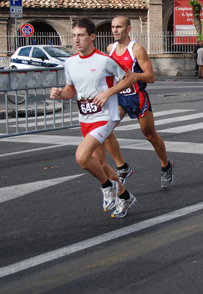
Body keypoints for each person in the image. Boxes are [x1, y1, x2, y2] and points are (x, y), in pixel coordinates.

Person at [49, 18, 138, 218]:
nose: (76, 40)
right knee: (100, 163)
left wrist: (108, 93)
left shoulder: (103, 60)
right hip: (85, 118)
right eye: (74, 36)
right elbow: (71, 91)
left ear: (92, 37)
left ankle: (107, 187)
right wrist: (59, 94)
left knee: (81, 157)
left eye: (81, 35)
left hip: (105, 116)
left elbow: (130, 77)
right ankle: (124, 196)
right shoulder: (70, 62)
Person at [104, 15, 174, 188]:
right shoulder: (110, 48)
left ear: (128, 29)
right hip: (119, 98)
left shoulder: (136, 49)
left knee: (150, 135)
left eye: (119, 27)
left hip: (137, 97)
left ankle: (166, 165)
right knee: (104, 131)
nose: (115, 30)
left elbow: (151, 76)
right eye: (113, 27)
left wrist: (133, 76)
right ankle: (122, 166)